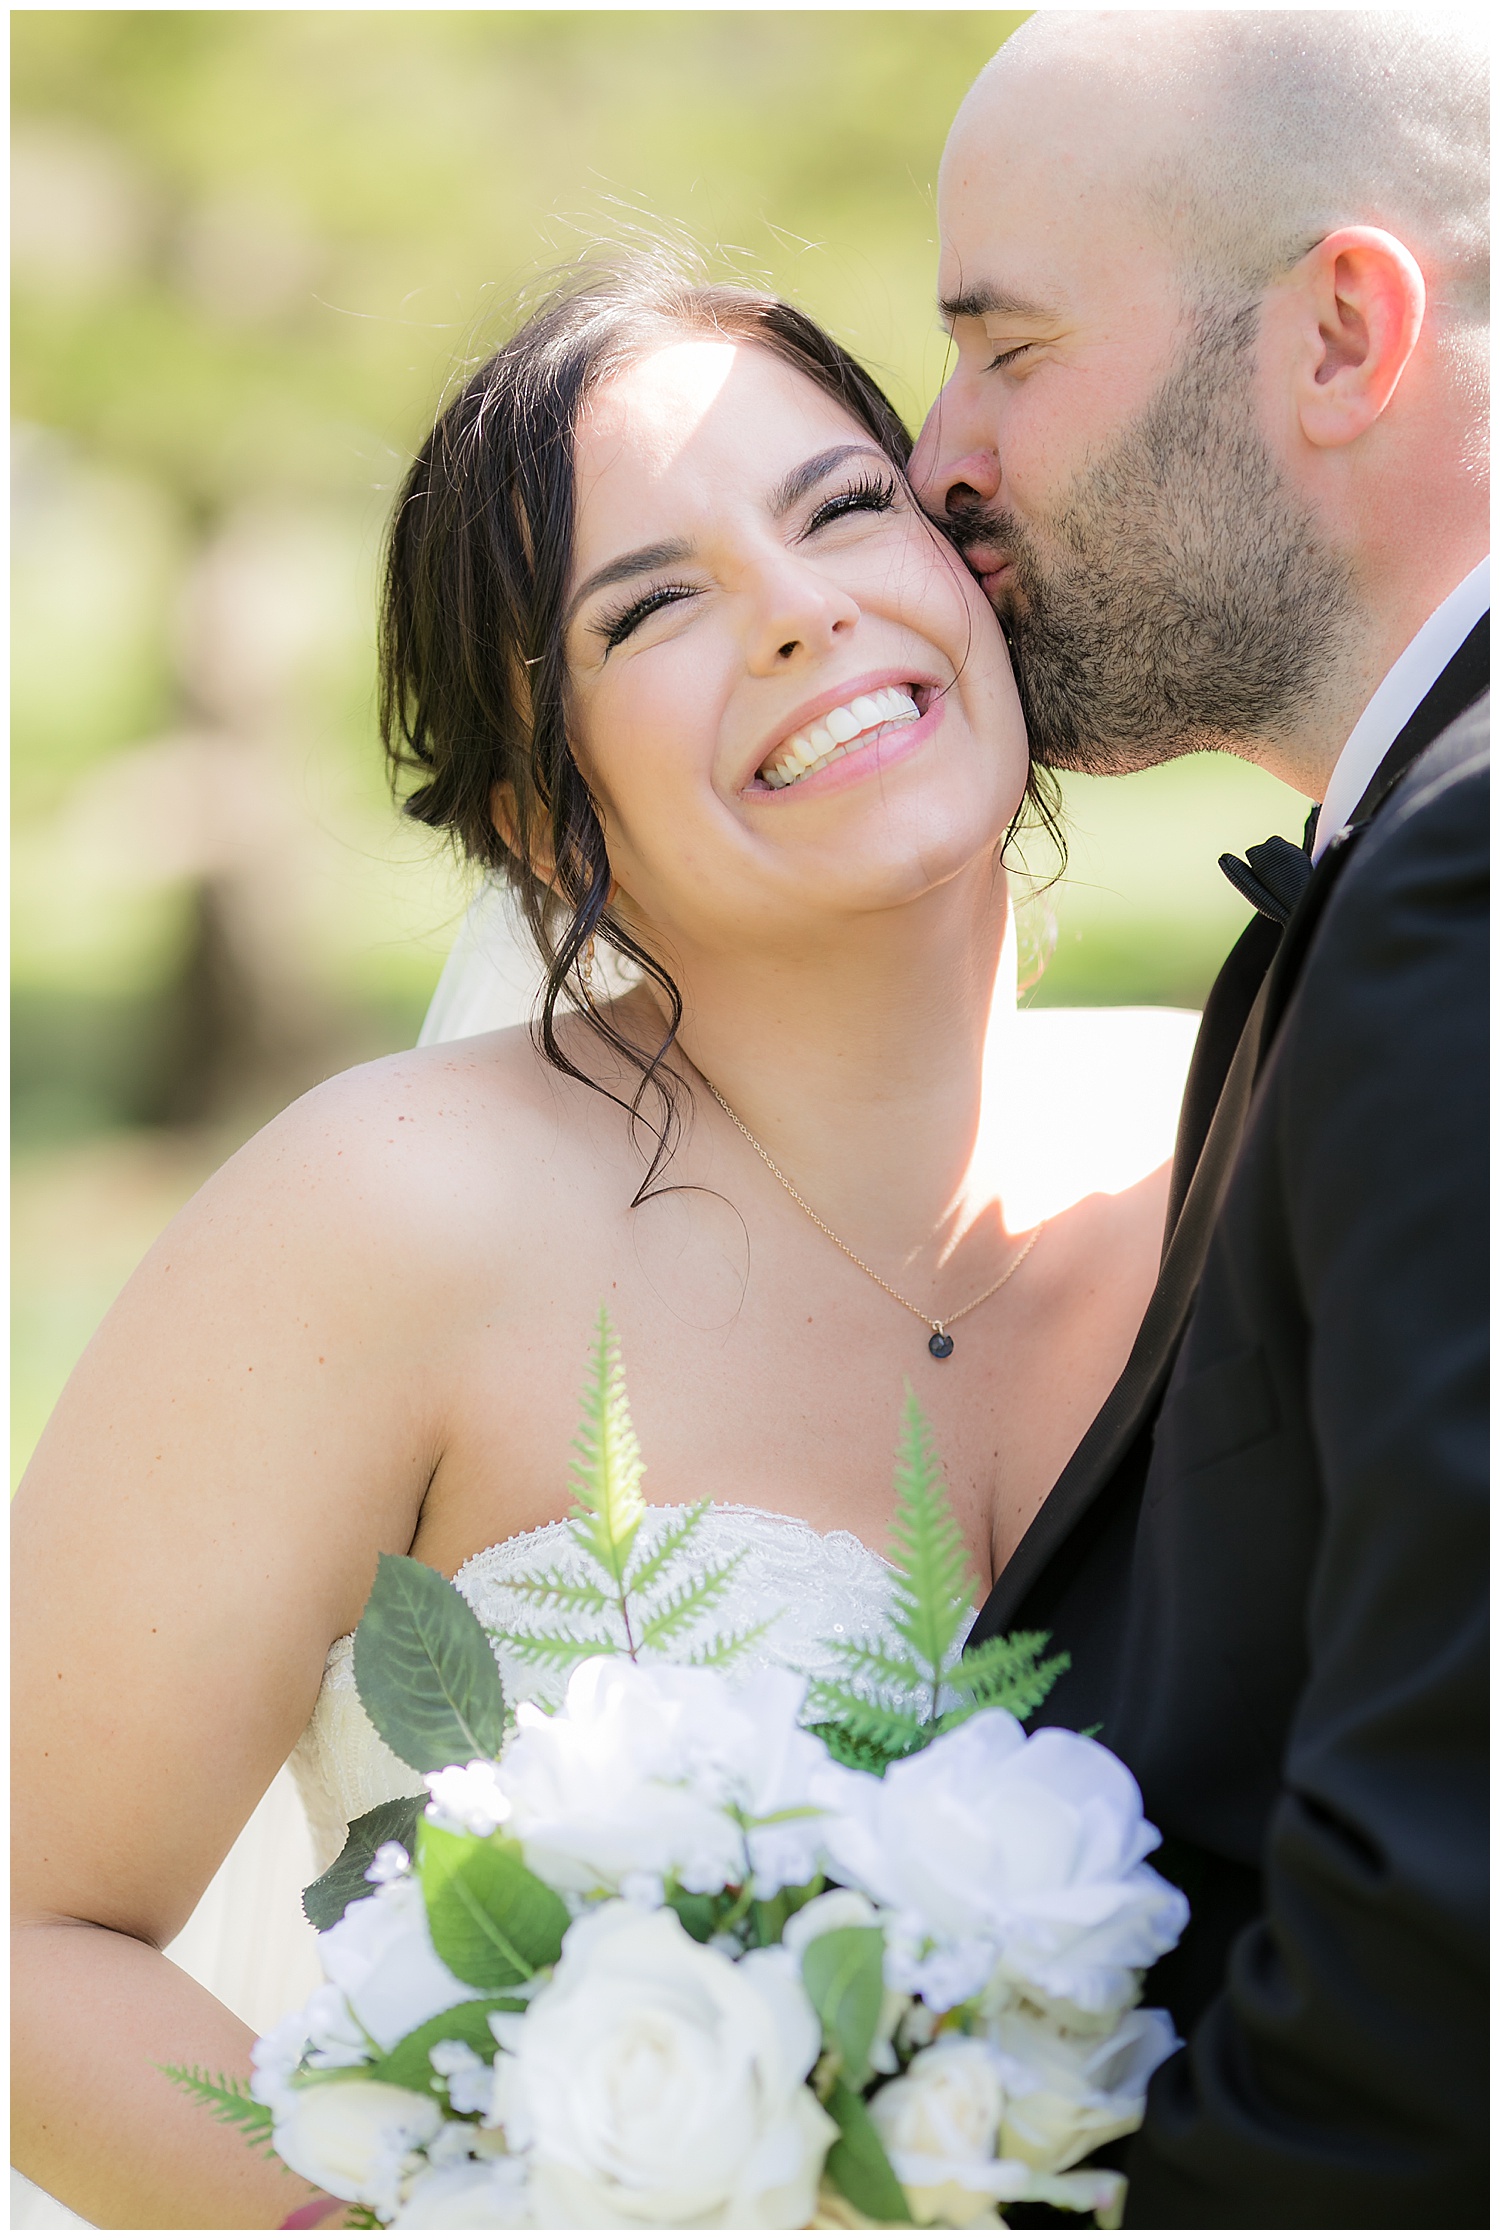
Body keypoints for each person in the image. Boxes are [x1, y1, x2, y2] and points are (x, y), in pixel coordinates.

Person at [10, 267, 1200, 2228]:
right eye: (648, 606)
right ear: (537, 822)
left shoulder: (1249, 1132)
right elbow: (26, 1933)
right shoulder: (392, 1218)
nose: (803, 606)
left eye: (841, 508)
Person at [913, 11, 1487, 2226]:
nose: (938, 456)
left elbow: (1455, 1911)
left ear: (1342, 330)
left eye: (1011, 350)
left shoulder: (1469, 883)